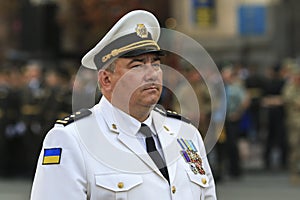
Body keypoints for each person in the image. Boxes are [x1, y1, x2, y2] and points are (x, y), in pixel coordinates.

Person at [30, 10, 217, 199]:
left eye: (156, 64)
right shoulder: (73, 139)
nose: (152, 73)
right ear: (106, 79)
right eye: (137, 65)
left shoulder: (185, 133)